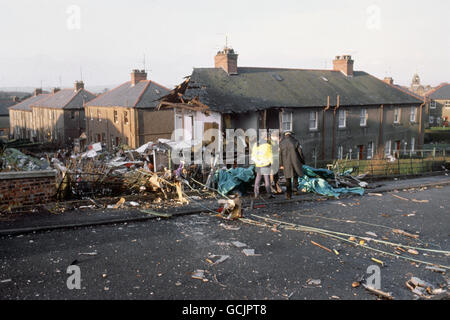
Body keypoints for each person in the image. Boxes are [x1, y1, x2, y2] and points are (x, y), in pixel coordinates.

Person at [279, 131, 305, 199]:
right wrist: (302, 161)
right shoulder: (295, 141)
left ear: (285, 135)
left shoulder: (281, 143)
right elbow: (300, 152)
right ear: (291, 135)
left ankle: (288, 195)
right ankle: (295, 189)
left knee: (288, 178)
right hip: (295, 161)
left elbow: (280, 155)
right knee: (295, 175)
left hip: (286, 163)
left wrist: (281, 164)